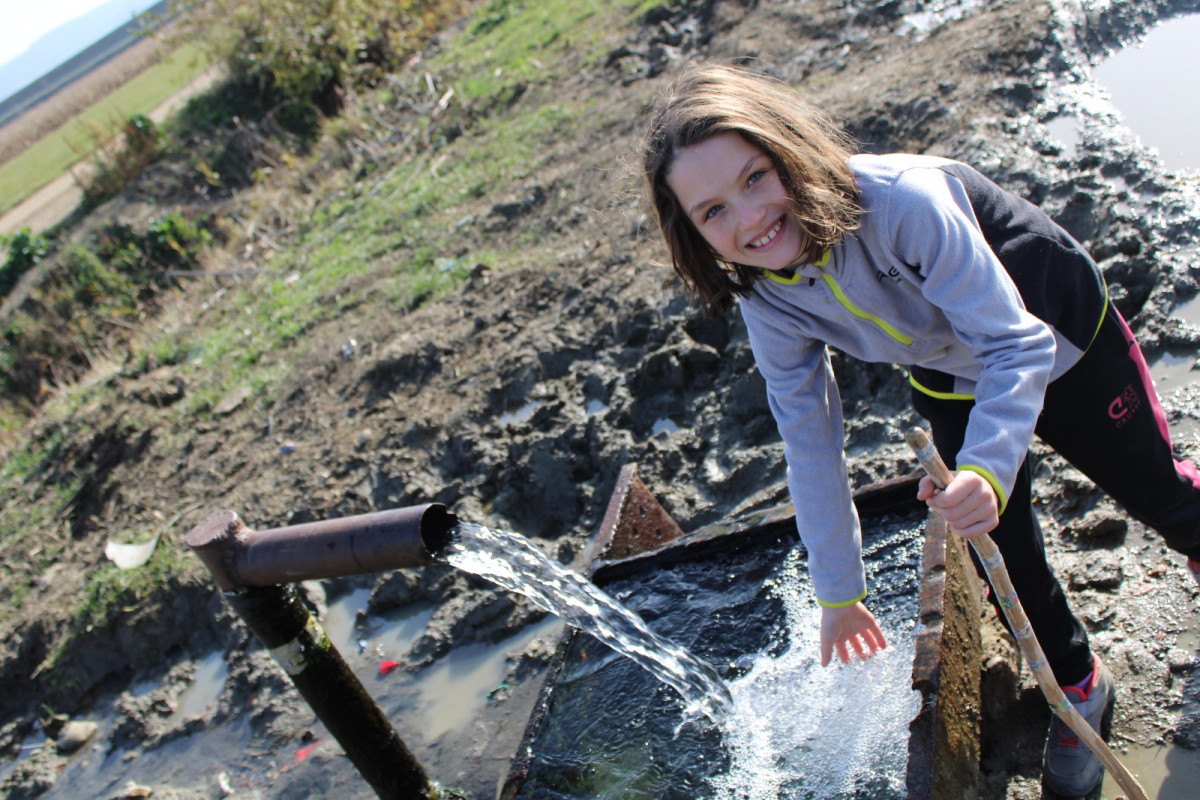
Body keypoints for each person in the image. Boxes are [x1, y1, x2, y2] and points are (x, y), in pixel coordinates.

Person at [640, 63, 1200, 797]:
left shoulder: (904, 201)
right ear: (692, 232)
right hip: (945, 365)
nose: (749, 219)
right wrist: (838, 592)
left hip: (1052, 328)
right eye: (713, 211)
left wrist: (988, 468)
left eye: (756, 178)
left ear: (789, 150)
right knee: (996, 548)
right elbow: (809, 438)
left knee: (1157, 492)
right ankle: (1079, 686)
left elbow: (1016, 345)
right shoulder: (765, 297)